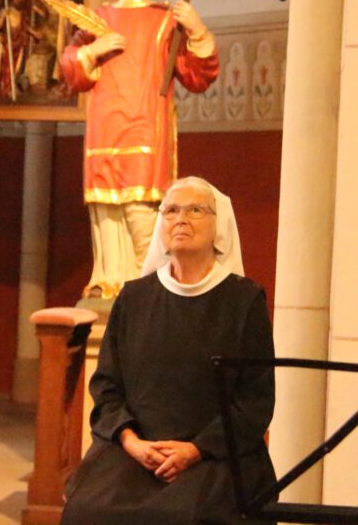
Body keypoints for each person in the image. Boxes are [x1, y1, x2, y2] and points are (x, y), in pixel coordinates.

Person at [61, 177, 276, 525]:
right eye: (172, 210)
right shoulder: (134, 298)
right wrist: (132, 442)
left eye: (195, 210)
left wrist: (195, 450)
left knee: (179, 516)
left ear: (218, 225)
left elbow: (254, 400)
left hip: (215, 453)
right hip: (135, 450)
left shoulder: (244, 300)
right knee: (89, 510)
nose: (181, 219)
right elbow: (107, 387)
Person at [59, 0, 219, 298]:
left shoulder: (162, 19)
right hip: (105, 125)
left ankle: (148, 281)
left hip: (146, 123)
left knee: (139, 206)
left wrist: (196, 30)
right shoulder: (99, 19)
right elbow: (71, 70)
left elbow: (196, 75)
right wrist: (93, 50)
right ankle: (110, 279)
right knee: (106, 205)